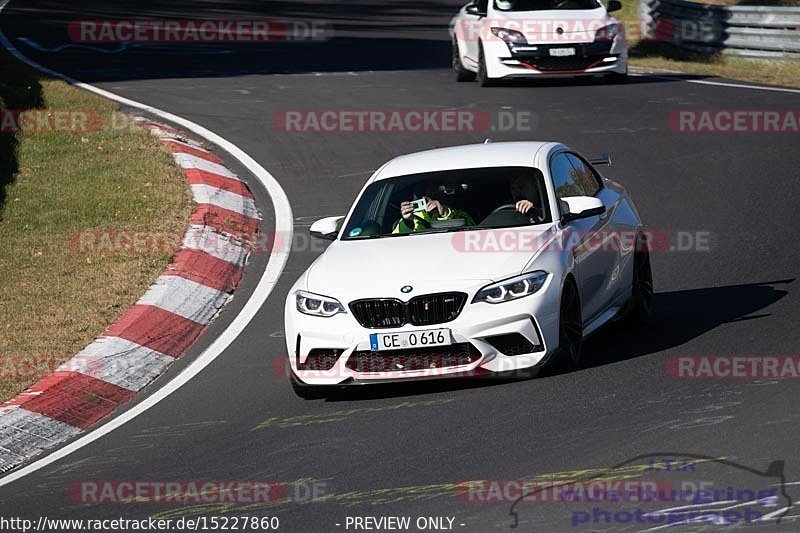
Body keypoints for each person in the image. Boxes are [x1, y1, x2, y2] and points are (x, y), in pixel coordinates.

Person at [392, 184, 475, 234]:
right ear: (423, 195)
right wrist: (408, 222)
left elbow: (473, 232)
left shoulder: (460, 214)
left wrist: (444, 213)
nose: (434, 195)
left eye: (439, 190)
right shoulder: (412, 216)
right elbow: (394, 241)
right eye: (430, 191)